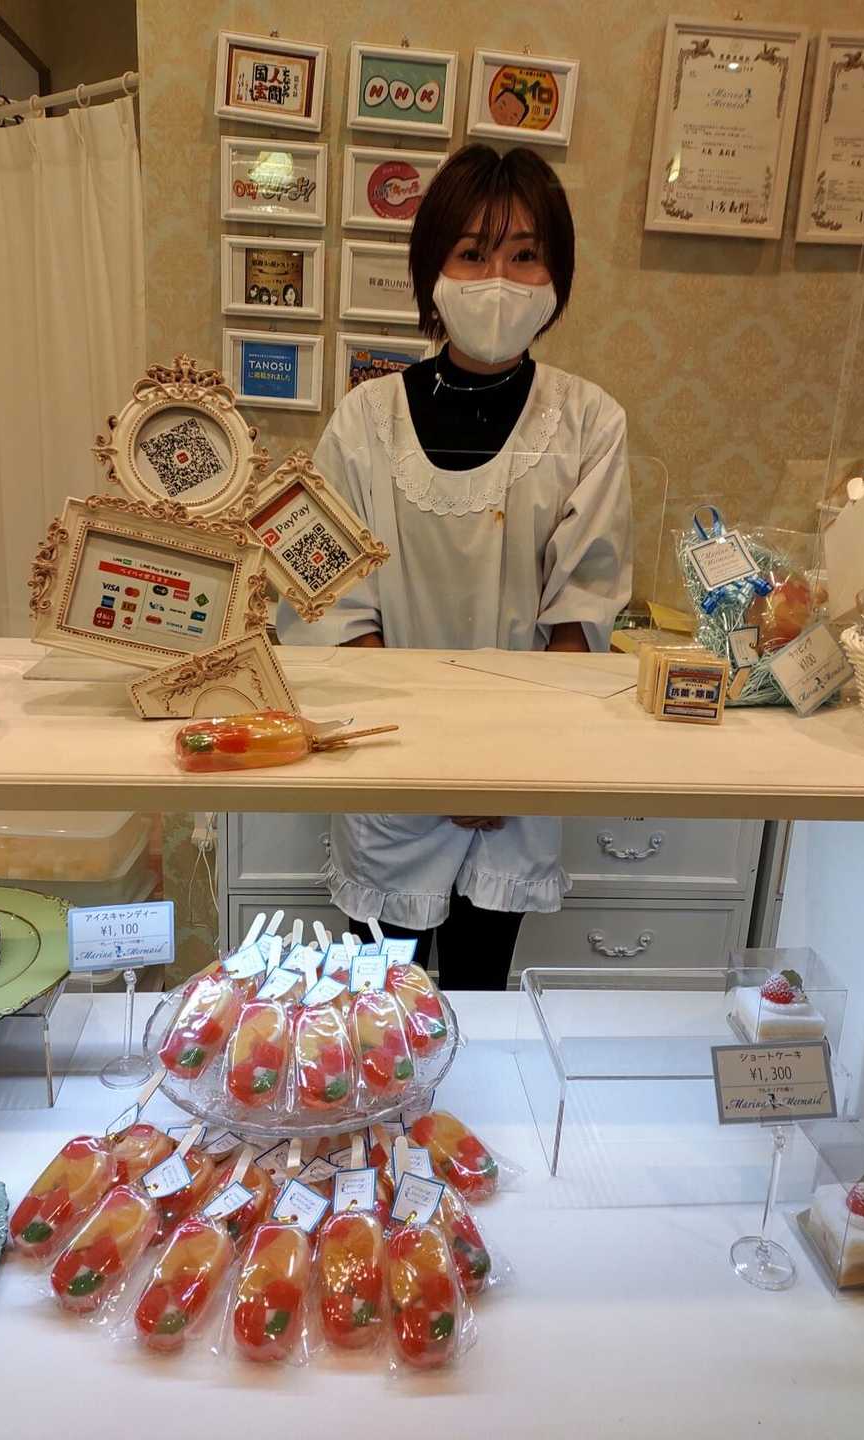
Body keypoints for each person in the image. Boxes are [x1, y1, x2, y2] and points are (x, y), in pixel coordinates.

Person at [277, 144, 632, 990]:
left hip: (518, 775)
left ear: (557, 274)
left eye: (525, 254)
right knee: (375, 1002)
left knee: (480, 994)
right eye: (472, 252)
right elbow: (330, 605)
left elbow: (581, 612)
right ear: (432, 267)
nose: (498, 280)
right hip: (390, 761)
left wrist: (498, 766)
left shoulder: (589, 422)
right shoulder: (364, 420)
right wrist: (430, 762)